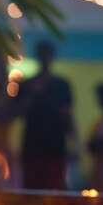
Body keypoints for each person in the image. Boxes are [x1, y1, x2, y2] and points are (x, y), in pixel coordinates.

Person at [8, 41, 76, 190]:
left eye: (47, 55)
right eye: (42, 54)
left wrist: (75, 143)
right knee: (32, 189)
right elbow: (17, 111)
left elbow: (68, 115)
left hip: (55, 146)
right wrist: (32, 94)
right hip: (33, 146)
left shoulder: (62, 85)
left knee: (54, 189)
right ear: (38, 56)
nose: (45, 58)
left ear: (52, 57)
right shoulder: (27, 85)